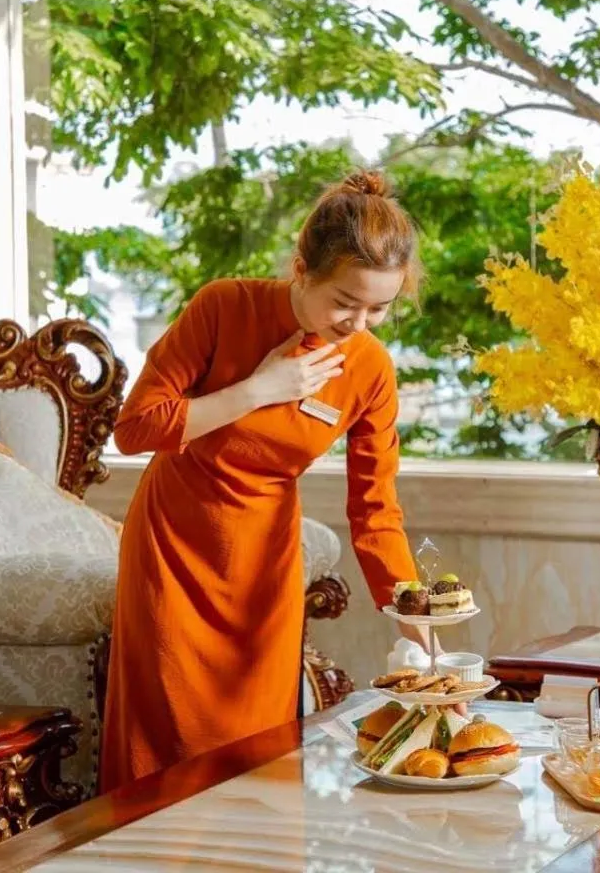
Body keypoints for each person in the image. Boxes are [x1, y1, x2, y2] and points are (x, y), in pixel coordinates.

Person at [98, 170, 434, 792]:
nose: (359, 324)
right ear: (302, 269)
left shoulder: (369, 369)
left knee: (258, 751)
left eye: (379, 308)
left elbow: (376, 512)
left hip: (264, 562)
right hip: (173, 548)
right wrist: (258, 390)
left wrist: (425, 636)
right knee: (166, 744)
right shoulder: (223, 306)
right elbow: (135, 429)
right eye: (345, 301)